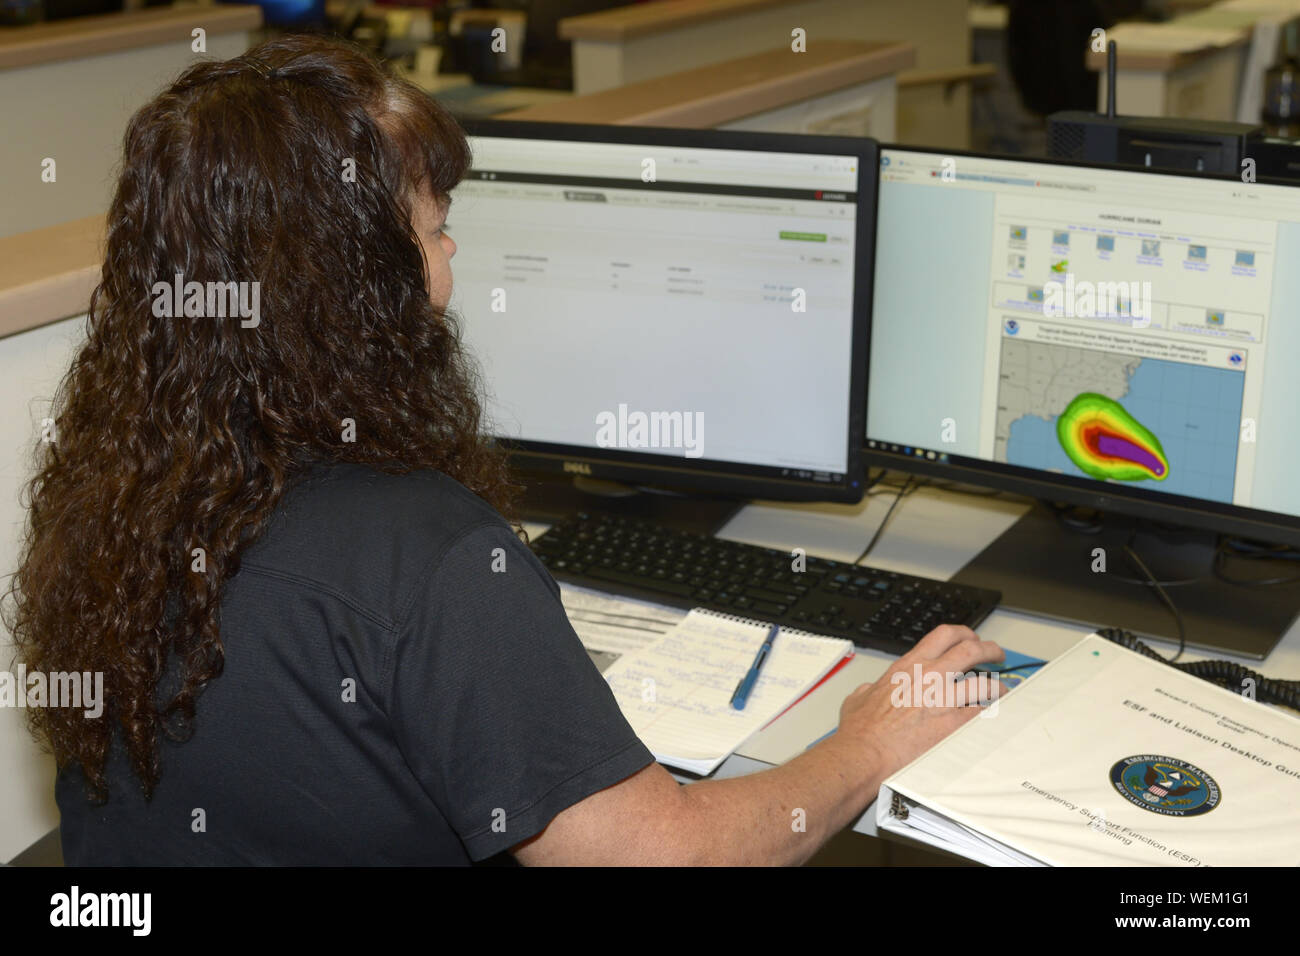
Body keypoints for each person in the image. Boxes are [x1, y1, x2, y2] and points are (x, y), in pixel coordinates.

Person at [7, 33, 1006, 866]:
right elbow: (665, 855)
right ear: (356, 289)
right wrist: (867, 741)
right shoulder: (427, 553)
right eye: (436, 232)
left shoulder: (117, 493)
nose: (451, 262)